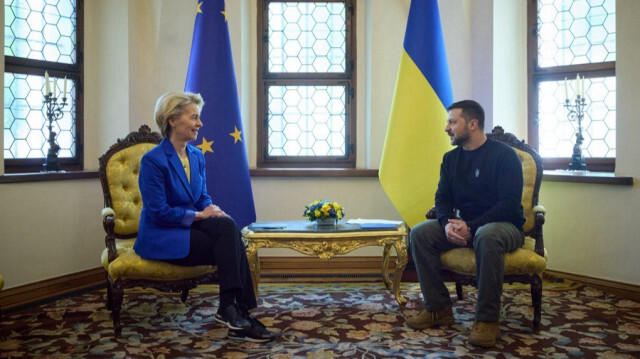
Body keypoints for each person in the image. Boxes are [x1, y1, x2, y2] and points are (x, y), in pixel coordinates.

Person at [134, 92, 275, 343]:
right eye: (194, 117)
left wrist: (212, 209)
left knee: (228, 228)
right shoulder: (152, 161)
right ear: (173, 120)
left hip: (187, 229)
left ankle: (233, 310)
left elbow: (202, 198)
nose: (200, 123)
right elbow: (158, 212)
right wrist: (201, 215)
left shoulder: (196, 156)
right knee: (231, 239)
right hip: (161, 236)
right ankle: (235, 310)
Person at [406, 100, 525, 348]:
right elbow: (442, 198)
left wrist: (471, 226)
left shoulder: (505, 156)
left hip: (503, 226)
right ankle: (438, 309)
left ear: (472, 124)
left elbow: (509, 204)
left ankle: (487, 320)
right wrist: (446, 224)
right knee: (420, 233)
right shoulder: (451, 159)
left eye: (452, 122)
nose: (446, 128)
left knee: (487, 235)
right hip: (465, 225)